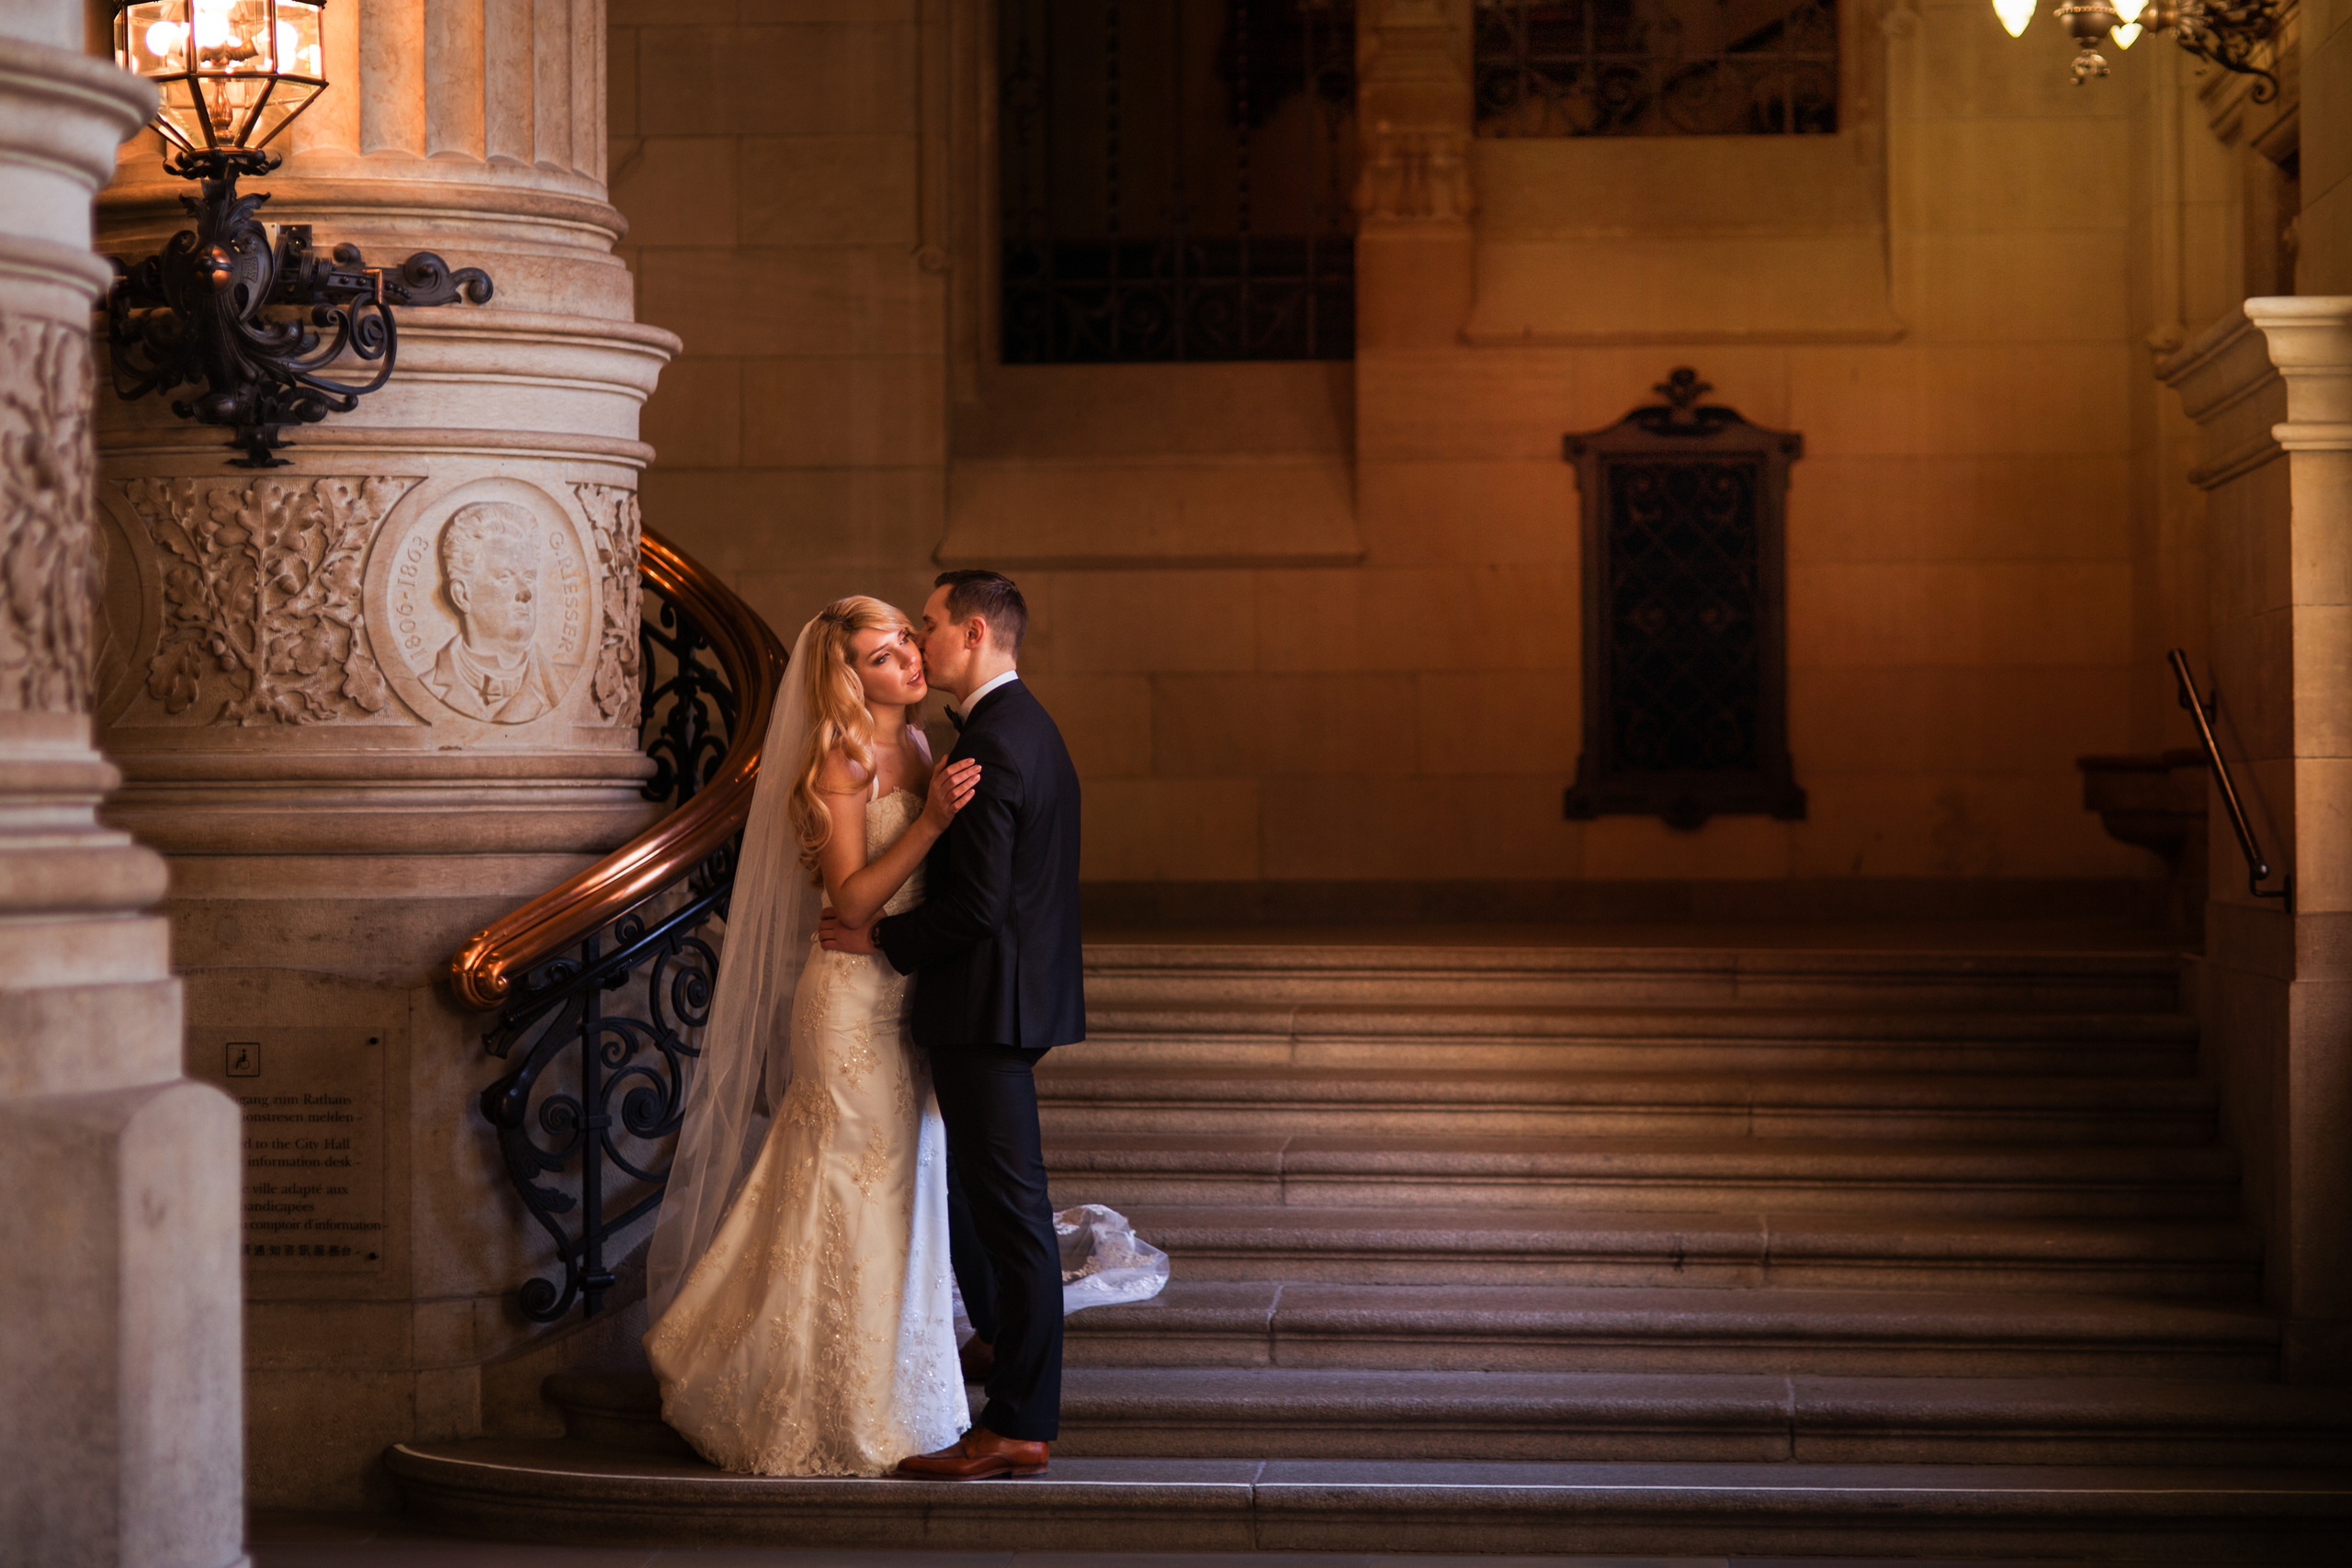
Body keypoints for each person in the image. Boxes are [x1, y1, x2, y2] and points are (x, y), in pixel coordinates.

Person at [640, 595, 985, 1477]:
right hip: (847, 1003)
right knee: (844, 1189)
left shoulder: (922, 745)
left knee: (906, 1187)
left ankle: (899, 1393)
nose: (908, 656)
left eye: (906, 637)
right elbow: (852, 900)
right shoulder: (842, 756)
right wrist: (933, 822)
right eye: (882, 655)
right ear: (849, 679)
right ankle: (824, 1405)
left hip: (904, 989)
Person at [820, 570, 1085, 1483]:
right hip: (999, 999)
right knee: (975, 1197)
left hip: (986, 1005)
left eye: (928, 624)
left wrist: (877, 937)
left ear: (971, 633)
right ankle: (1001, 1342)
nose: (919, 639)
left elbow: (976, 907)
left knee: (1013, 1214)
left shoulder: (995, 745)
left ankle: (1019, 1421)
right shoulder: (1016, 726)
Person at [425, 502, 561, 723]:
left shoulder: (562, 685)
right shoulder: (426, 687)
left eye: (529, 578)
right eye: (504, 578)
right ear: (462, 596)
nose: (526, 593)